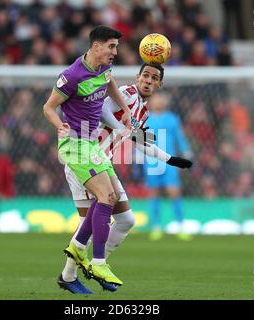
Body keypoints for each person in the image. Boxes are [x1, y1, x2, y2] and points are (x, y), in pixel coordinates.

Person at [58, 63, 192, 294]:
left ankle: (82, 270)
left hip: (102, 163)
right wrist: (122, 127)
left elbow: (139, 139)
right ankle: (85, 269)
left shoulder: (144, 110)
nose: (148, 80)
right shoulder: (127, 94)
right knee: (91, 223)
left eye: (154, 78)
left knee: (126, 220)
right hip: (87, 160)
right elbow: (99, 110)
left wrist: (170, 159)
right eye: (145, 75)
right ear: (137, 77)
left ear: (159, 84)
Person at [42, 25, 132, 294]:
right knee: (106, 198)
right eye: (111, 47)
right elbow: (48, 107)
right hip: (74, 144)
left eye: (116, 46)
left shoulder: (103, 69)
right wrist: (59, 124)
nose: (115, 52)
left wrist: (125, 108)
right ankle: (98, 262)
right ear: (96, 46)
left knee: (110, 196)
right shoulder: (71, 76)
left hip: (91, 144)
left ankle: (76, 248)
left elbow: (110, 82)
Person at [143, 92, 193, 241]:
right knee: (153, 193)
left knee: (174, 192)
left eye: (160, 99)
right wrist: (137, 158)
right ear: (150, 102)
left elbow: (180, 138)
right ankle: (156, 227)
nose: (158, 102)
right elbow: (139, 141)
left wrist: (186, 153)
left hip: (169, 161)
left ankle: (180, 226)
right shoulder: (145, 119)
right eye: (155, 99)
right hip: (151, 162)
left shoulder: (172, 119)